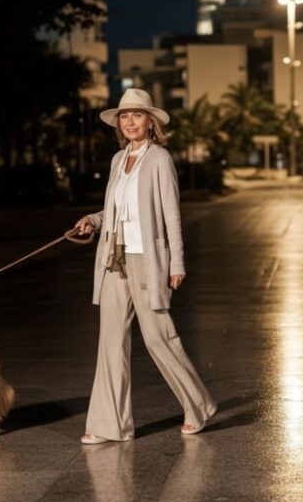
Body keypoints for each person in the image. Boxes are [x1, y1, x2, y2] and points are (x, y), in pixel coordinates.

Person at [73, 88, 217, 444]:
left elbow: (171, 215)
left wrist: (176, 263)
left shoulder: (160, 159)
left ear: (150, 122)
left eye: (137, 115)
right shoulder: (118, 160)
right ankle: (110, 426)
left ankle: (198, 406)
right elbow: (116, 208)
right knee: (110, 342)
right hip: (113, 260)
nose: (130, 122)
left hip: (146, 259)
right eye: (124, 116)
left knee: (158, 338)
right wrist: (93, 219)